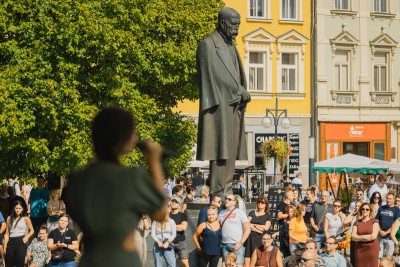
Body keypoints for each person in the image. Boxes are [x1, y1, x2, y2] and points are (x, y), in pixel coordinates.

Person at [62, 107, 167, 267]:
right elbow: (160, 213)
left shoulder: (78, 180)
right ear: (123, 139)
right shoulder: (131, 177)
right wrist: (155, 162)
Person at [196, 7, 251, 196]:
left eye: (238, 25)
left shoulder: (232, 46)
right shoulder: (207, 45)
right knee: (220, 150)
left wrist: (244, 92)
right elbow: (210, 77)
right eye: (233, 25)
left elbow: (236, 76)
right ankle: (218, 191)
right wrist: (236, 90)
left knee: (231, 151)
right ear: (222, 23)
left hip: (235, 106)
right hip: (219, 106)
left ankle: (226, 188)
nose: (236, 29)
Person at [218, 194, 250, 267]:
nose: (226, 200)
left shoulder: (240, 212)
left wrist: (241, 243)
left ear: (234, 202)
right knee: (226, 265)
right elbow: (218, 227)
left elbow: (247, 230)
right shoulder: (221, 213)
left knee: (238, 265)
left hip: (236, 244)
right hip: (225, 244)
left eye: (229, 199)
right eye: (226, 198)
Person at [4, 200, 35, 267]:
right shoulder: (9, 218)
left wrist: (26, 237)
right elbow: (7, 233)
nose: (18, 210)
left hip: (21, 241)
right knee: (9, 263)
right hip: (11, 241)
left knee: (20, 263)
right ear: (13, 208)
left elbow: (32, 230)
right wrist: (5, 246)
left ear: (22, 209)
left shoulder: (26, 218)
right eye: (16, 208)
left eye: (19, 208)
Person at [244, 196, 271, 266]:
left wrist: (253, 226)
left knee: (259, 260)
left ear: (266, 204)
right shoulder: (252, 213)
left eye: (262, 202)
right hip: (250, 239)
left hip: (260, 240)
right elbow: (246, 223)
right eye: (258, 202)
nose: (260, 203)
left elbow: (266, 228)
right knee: (247, 259)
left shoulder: (267, 215)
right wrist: (258, 229)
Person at [351, 203, 379, 267]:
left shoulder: (375, 221)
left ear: (370, 211)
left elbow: (373, 236)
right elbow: (353, 237)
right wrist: (364, 237)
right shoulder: (357, 222)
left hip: (372, 250)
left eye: (367, 209)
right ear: (361, 210)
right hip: (360, 250)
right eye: (363, 209)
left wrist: (359, 238)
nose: (365, 211)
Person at [376, 192, 400, 258]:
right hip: (380, 236)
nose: (388, 200)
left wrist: (386, 232)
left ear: (393, 199)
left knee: (388, 257)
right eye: (387, 198)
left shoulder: (396, 210)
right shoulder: (381, 208)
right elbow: (376, 221)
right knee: (378, 256)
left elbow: (396, 223)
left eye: (390, 199)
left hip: (390, 238)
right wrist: (380, 231)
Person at [169, 195, 189, 267]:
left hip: (181, 242)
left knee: (185, 263)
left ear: (179, 205)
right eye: (172, 201)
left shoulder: (182, 215)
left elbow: (183, 227)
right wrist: (177, 226)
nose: (174, 203)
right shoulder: (167, 215)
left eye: (176, 202)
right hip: (169, 242)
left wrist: (170, 226)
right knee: (171, 264)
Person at [344, 200, 363, 266]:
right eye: (356, 206)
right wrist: (352, 212)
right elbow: (345, 222)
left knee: (359, 258)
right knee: (353, 259)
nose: (357, 207)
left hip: (360, 240)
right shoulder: (354, 216)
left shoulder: (363, 217)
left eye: (358, 206)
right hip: (353, 239)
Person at [277, 190, 294, 257]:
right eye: (292, 195)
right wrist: (289, 214)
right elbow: (280, 215)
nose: (294, 196)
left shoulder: (293, 205)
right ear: (288, 196)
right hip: (283, 227)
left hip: (292, 227)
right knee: (284, 246)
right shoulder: (281, 205)